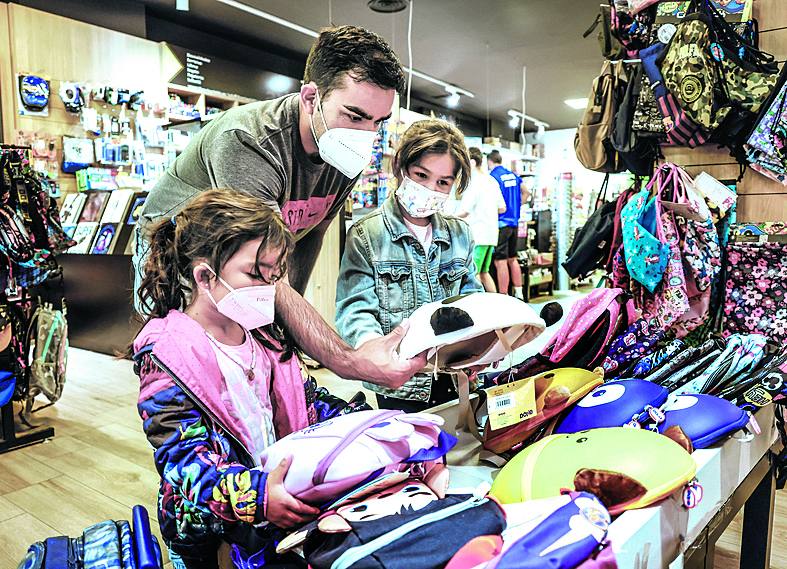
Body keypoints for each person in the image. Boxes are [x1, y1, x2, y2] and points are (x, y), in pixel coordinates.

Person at [134, 25, 425, 391]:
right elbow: (260, 266)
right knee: (194, 377)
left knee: (265, 367)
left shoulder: (345, 150)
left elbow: (310, 233)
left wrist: (287, 331)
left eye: (377, 122)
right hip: (178, 252)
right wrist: (349, 362)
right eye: (354, 116)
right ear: (309, 98)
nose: (366, 135)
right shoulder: (249, 142)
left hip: (243, 258)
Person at [132, 189, 367, 568]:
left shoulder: (262, 333)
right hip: (212, 531)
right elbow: (183, 460)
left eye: (274, 275)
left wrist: (358, 423)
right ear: (206, 277)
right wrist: (256, 495)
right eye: (256, 274)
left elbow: (304, 400)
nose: (269, 288)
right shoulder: (167, 356)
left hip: (278, 507)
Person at [335, 120, 483, 412]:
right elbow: (355, 309)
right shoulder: (367, 235)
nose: (430, 188)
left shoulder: (460, 234)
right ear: (402, 168)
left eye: (443, 182)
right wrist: (377, 351)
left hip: (455, 374)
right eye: (421, 175)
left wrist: (481, 345)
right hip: (400, 383)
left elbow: (472, 298)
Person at [449, 146, 506, 292]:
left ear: (472, 163)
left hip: (477, 235)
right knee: (484, 273)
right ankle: (497, 307)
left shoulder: (474, 182)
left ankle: (480, 311)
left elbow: (464, 211)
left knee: (474, 276)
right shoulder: (492, 181)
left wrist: (446, 218)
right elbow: (502, 208)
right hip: (491, 235)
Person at [488, 149, 525, 300]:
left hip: (501, 222)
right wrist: (517, 205)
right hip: (514, 222)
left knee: (500, 261)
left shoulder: (493, 177)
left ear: (490, 161)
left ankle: (504, 296)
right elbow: (526, 191)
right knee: (513, 258)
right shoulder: (512, 175)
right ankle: (520, 293)